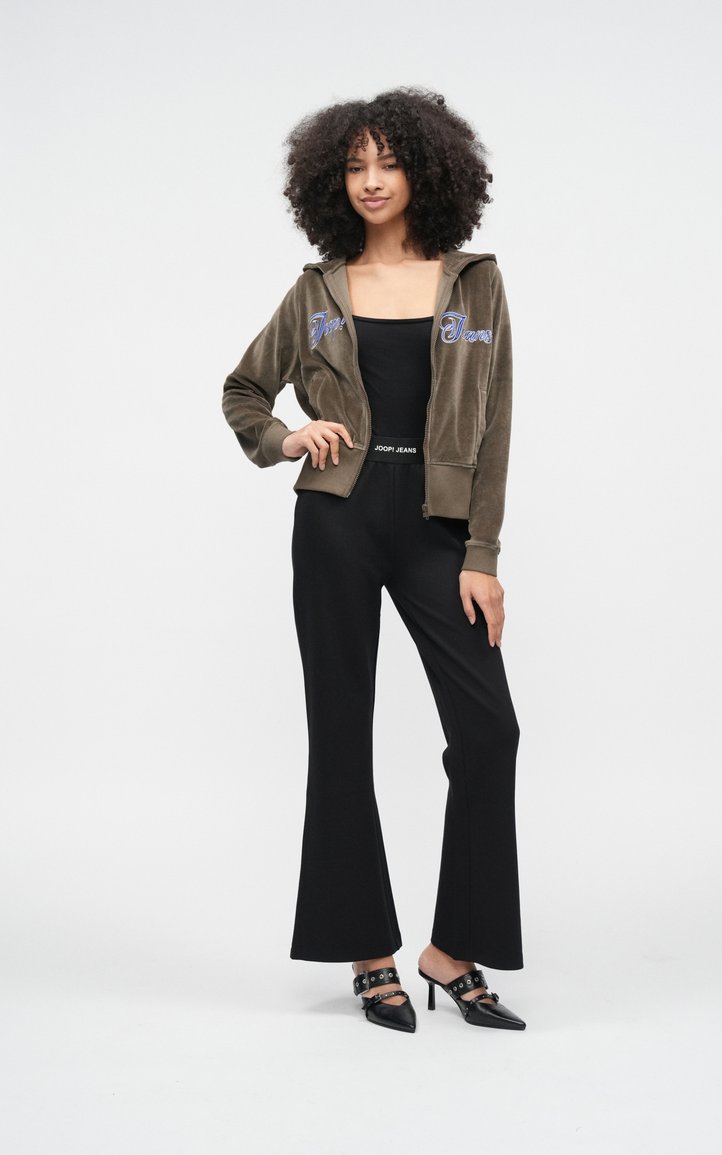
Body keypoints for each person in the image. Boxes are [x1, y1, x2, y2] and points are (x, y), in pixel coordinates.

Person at [221, 87, 526, 1033]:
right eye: (354, 166)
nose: (371, 180)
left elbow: (495, 424)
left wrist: (481, 551)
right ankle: (368, 951)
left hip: (436, 525)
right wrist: (287, 438)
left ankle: (454, 949)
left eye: (388, 162)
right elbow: (243, 389)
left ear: (427, 171)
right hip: (338, 521)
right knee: (341, 731)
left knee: (490, 732)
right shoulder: (316, 291)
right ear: (331, 182)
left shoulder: (474, 283)